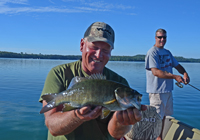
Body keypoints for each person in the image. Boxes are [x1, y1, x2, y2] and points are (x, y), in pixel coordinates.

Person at [39, 22, 146, 140]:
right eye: (94, 47)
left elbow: (115, 134)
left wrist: (122, 121)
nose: (99, 55)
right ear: (82, 45)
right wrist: (77, 116)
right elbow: (53, 127)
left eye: (105, 50)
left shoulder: (119, 82)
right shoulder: (59, 73)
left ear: (111, 52)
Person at [145, 28, 190, 140]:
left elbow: (177, 65)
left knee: (164, 116)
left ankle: (160, 137)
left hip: (167, 91)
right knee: (156, 118)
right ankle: (156, 138)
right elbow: (156, 72)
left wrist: (184, 73)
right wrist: (175, 76)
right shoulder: (152, 52)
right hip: (156, 92)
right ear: (155, 38)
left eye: (164, 37)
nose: (162, 39)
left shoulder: (167, 52)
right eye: (160, 37)